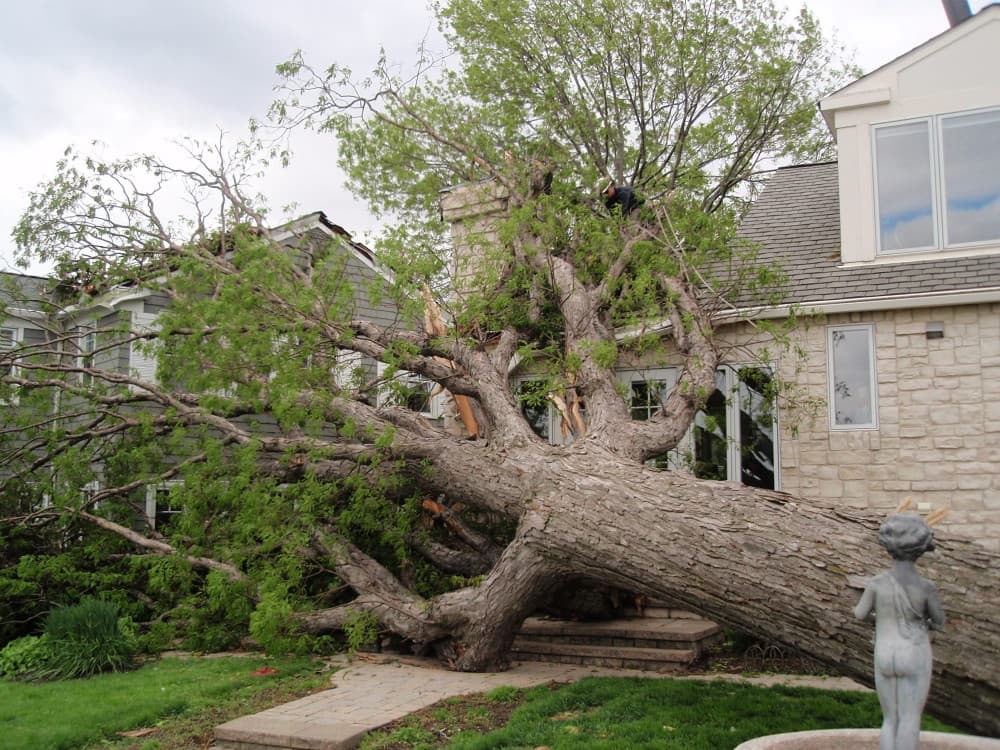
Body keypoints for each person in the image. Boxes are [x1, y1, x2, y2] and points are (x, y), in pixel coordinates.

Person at [854, 513, 945, 750]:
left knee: (890, 720)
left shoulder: (876, 583)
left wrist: (880, 618)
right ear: (921, 548)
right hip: (914, 652)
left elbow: (859, 614)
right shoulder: (926, 587)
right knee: (910, 719)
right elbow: (939, 621)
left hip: (885, 652)